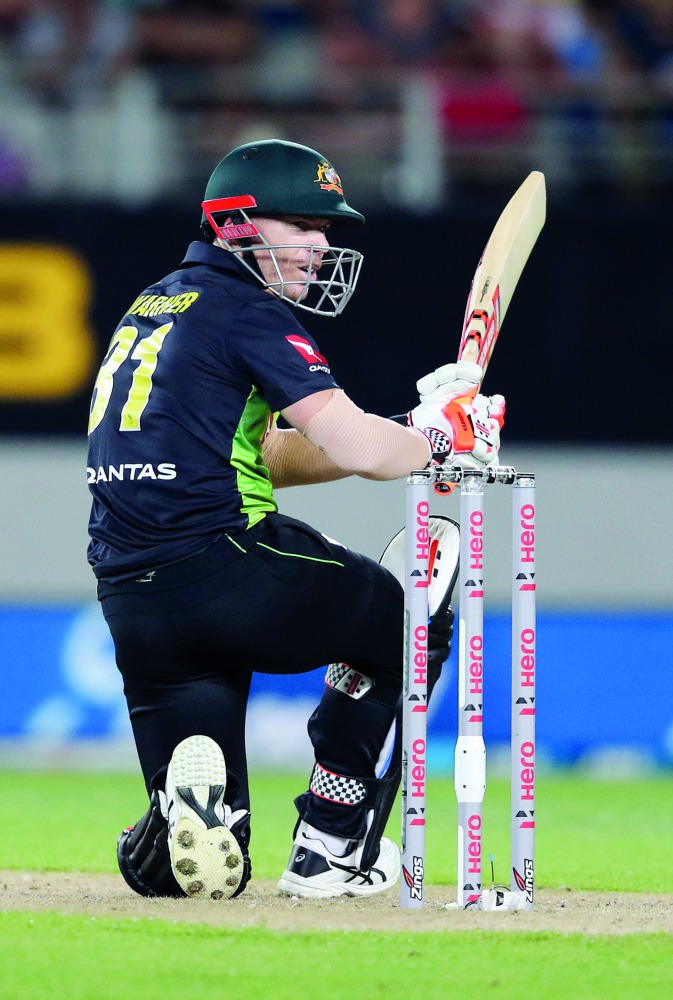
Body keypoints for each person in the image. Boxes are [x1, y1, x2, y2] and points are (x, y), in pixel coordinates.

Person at [86, 138, 505, 901]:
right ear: (237, 225)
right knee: (403, 619)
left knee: (208, 869)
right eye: (301, 225)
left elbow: (274, 454)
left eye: (325, 230)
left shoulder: (154, 305)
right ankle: (329, 842)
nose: (320, 245)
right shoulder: (245, 309)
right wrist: (442, 436)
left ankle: (167, 822)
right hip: (226, 564)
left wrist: (409, 425)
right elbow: (362, 450)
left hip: (134, 600)